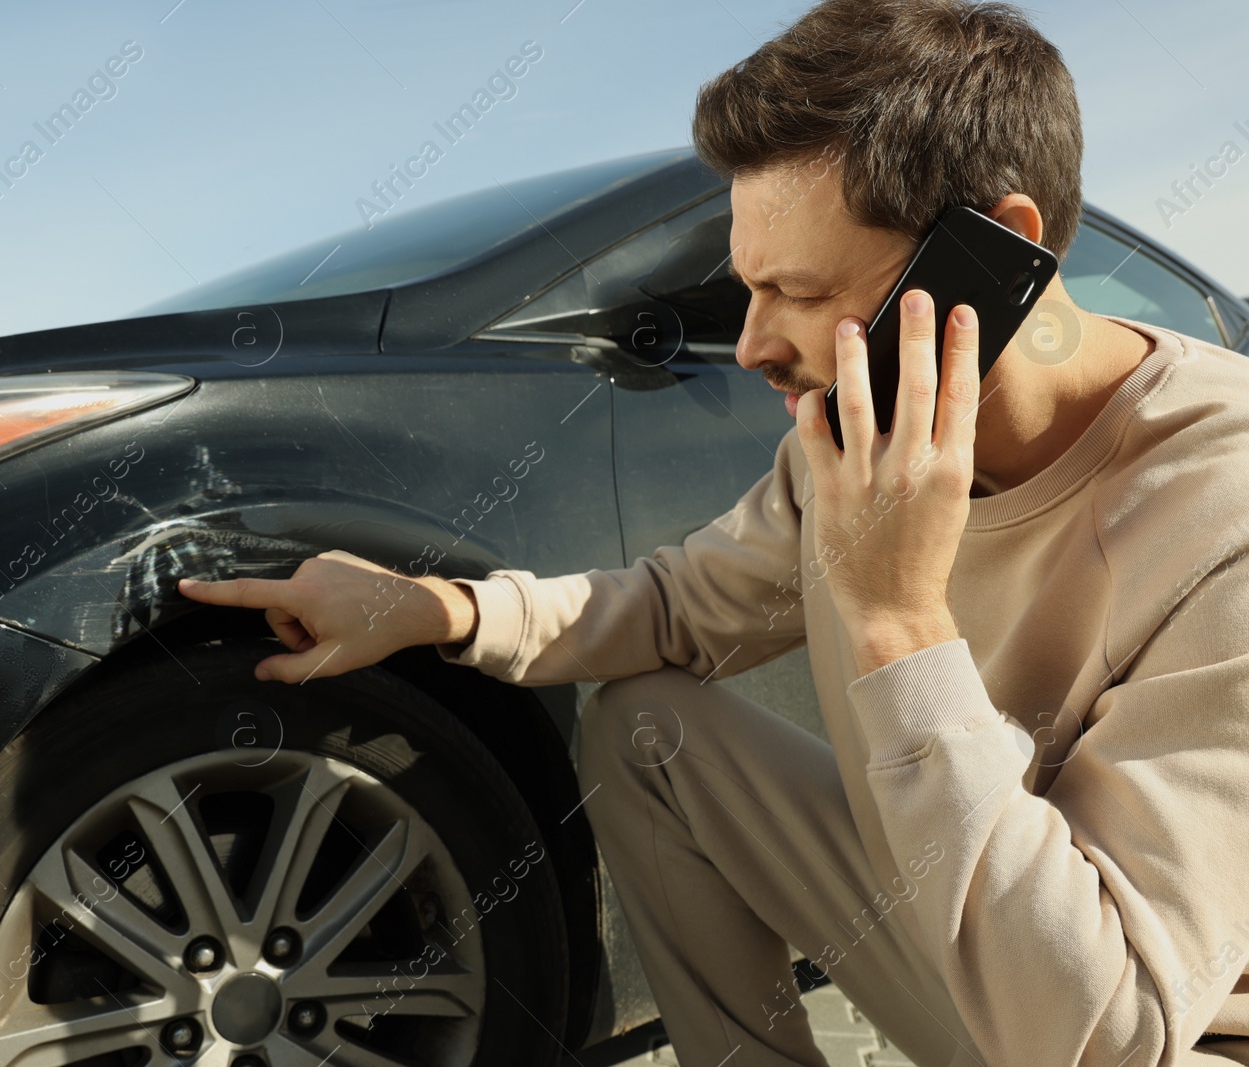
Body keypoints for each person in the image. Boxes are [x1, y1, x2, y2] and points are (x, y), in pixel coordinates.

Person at [176, 0, 1249, 1062]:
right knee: (646, 728)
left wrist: (896, 621)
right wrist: (438, 608)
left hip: (1133, 1029)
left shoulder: (1224, 506)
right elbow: (676, 606)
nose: (748, 347)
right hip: (972, 955)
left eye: (795, 291)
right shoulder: (845, 449)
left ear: (992, 253)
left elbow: (1101, 1031)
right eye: (746, 290)